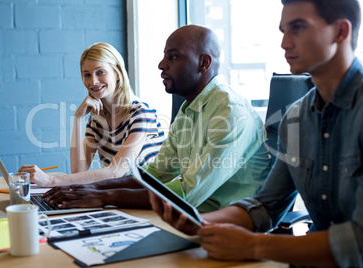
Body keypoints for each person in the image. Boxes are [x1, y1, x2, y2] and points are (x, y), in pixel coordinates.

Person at [150, 0, 363, 267]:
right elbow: (266, 207)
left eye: (297, 28)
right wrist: (197, 222)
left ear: (340, 32)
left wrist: (255, 245)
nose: (284, 42)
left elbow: (358, 239)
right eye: (283, 30)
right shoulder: (296, 117)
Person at [43, 25, 271, 212]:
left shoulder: (229, 112)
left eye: (173, 57)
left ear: (204, 63)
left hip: (231, 225)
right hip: (191, 216)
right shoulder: (188, 110)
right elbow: (155, 174)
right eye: (164, 57)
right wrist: (94, 191)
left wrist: (105, 195)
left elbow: (187, 193)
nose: (161, 65)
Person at [19, 43, 165, 187]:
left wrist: (51, 181)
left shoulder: (141, 113)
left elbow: (116, 172)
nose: (93, 81)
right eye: (87, 75)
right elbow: (78, 170)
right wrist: (77, 119)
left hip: (155, 199)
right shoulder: (97, 119)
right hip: (124, 195)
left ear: (117, 73)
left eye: (100, 72)